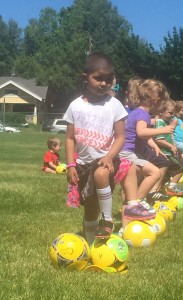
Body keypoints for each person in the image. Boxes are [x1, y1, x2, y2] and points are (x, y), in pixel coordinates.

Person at [63, 53, 153, 244]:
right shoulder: (75, 106)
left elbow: (121, 136)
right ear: (85, 77)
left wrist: (110, 156)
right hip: (83, 165)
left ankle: (108, 220)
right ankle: (91, 244)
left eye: (108, 79)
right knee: (90, 208)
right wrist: (71, 165)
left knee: (100, 174)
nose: (103, 83)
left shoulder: (114, 105)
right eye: (98, 78)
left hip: (108, 161)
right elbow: (70, 138)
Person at [120, 78, 177, 205]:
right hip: (129, 154)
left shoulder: (136, 112)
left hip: (127, 153)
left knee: (130, 189)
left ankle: (128, 215)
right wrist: (164, 129)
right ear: (156, 101)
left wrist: (153, 145)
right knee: (155, 173)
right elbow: (141, 132)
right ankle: (139, 202)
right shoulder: (143, 114)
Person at [154, 99, 183, 196]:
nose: (172, 115)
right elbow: (158, 139)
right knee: (182, 166)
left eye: (173, 113)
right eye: (170, 113)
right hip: (164, 152)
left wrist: (174, 145)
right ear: (161, 112)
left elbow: (171, 136)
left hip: (169, 152)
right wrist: (170, 146)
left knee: (165, 175)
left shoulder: (169, 122)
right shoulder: (160, 122)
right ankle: (172, 187)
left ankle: (159, 191)